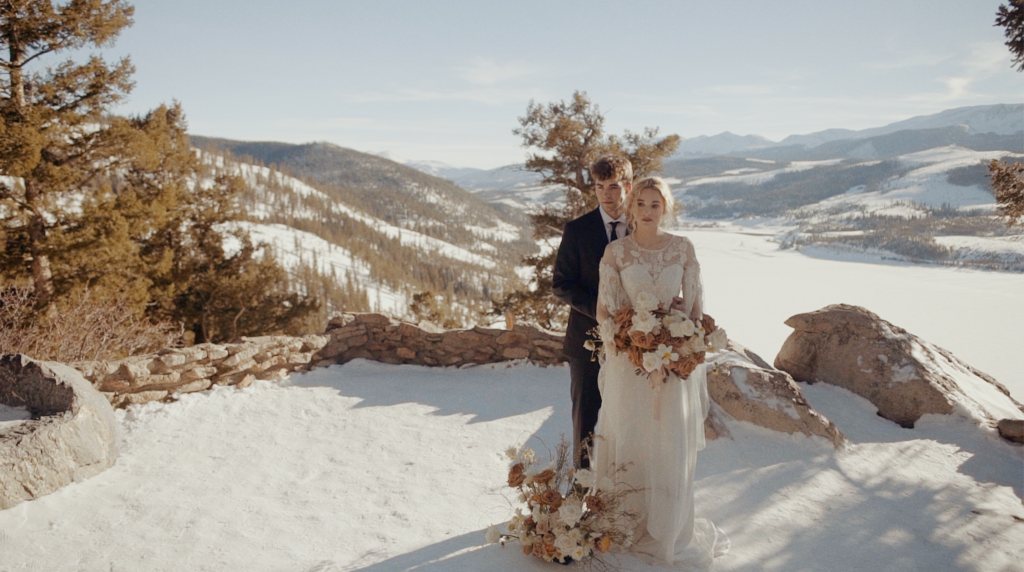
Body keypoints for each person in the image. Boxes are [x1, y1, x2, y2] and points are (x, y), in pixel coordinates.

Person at [593, 176, 729, 567]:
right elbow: (607, 311)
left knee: (667, 442)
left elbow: (696, 310)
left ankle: (666, 526)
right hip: (629, 366)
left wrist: (676, 345)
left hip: (672, 365)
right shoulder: (616, 252)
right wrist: (633, 341)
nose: (649, 211)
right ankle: (626, 518)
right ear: (631, 206)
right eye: (642, 204)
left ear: (665, 208)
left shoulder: (683, 249)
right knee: (631, 435)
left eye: (656, 205)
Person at [552, 154, 632, 469]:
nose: (606, 194)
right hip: (585, 341)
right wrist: (603, 312)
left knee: (628, 418)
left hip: (633, 342)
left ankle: (623, 485)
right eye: (599, 187)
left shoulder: (641, 228)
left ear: (628, 185)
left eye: (613, 186)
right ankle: (581, 489)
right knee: (584, 420)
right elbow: (561, 284)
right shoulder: (577, 230)